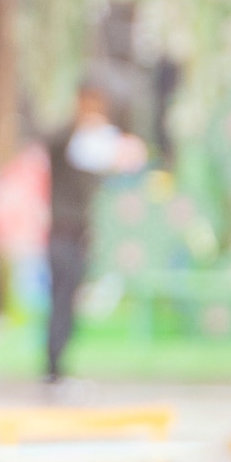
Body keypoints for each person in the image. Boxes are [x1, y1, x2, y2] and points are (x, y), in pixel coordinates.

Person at [41, 82, 145, 386]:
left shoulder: (94, 145)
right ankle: (53, 368)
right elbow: (51, 142)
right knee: (60, 301)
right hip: (61, 235)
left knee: (70, 302)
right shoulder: (66, 142)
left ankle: (59, 363)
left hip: (80, 237)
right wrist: (77, 123)